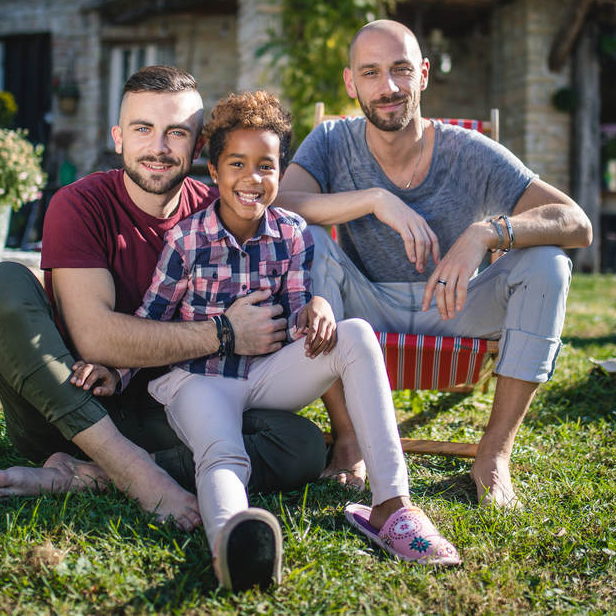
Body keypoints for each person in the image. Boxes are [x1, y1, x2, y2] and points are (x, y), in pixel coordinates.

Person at [71, 91, 461, 591]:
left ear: (280, 172)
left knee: (356, 334)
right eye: (237, 163)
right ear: (213, 170)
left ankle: (392, 504)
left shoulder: (293, 233)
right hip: (200, 380)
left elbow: (299, 306)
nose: (252, 179)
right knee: (223, 452)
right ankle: (233, 538)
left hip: (266, 376)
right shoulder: (187, 239)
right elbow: (154, 315)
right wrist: (116, 369)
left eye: (266, 166)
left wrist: (317, 307)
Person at [0, 66, 326, 530]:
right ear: (119, 136)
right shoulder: (80, 204)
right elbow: (95, 339)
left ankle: (89, 477)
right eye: (143, 129)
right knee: (1, 282)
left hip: (173, 410)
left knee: (302, 445)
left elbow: (289, 215)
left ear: (199, 148)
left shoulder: (222, 208)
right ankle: (134, 472)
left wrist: (374, 207)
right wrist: (225, 333)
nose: (158, 148)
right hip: (70, 406)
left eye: (176, 133)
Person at [275, 19, 592, 510]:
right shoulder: (332, 140)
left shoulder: (469, 152)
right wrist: (376, 199)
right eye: (372, 73)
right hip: (365, 307)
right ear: (350, 82)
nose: (389, 87)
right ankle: (348, 438)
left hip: (454, 304)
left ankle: (494, 454)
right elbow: (280, 207)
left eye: (401, 70)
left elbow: (576, 222)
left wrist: (487, 231)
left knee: (548, 263)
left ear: (423, 74)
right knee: (309, 239)